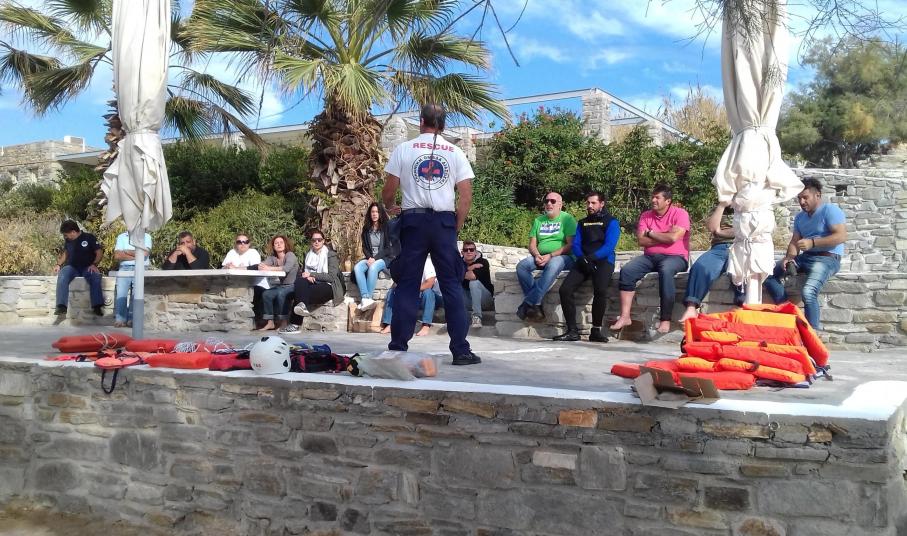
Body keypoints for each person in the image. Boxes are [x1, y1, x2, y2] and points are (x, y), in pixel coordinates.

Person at [381, 103, 480, 366]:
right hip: (443, 222)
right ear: (443, 125)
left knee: (407, 284)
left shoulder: (404, 149)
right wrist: (456, 224)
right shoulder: (455, 152)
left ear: (421, 121)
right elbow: (466, 196)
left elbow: (388, 191)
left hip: (413, 221)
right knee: (451, 284)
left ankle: (398, 348)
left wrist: (391, 207)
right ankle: (460, 350)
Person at [764, 178, 847, 329]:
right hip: (806, 258)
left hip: (827, 258)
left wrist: (813, 243)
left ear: (817, 195)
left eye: (805, 197)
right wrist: (789, 258)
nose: (802, 202)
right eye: (799, 198)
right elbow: (795, 241)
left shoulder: (829, 210)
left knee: (808, 292)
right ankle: (788, 312)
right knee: (767, 275)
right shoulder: (800, 217)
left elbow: (841, 236)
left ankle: (811, 334)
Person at [610, 184, 690, 334]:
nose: (653, 200)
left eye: (657, 197)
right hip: (650, 257)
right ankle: (625, 316)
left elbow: (674, 238)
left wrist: (651, 233)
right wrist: (665, 236)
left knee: (666, 270)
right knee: (627, 271)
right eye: (652, 197)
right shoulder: (646, 215)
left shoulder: (680, 214)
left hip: (676, 258)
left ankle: (665, 319)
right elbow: (641, 241)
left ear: (668, 201)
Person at [553, 191, 621, 342]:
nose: (590, 206)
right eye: (588, 203)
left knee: (600, 290)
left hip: (603, 260)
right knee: (565, 290)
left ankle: (595, 331)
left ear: (602, 204)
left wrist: (592, 258)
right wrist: (583, 258)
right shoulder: (582, 223)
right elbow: (576, 244)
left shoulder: (612, 222)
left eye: (593, 203)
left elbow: (609, 246)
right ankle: (572, 331)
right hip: (583, 260)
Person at [515, 192, 577, 321]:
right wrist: (537, 255)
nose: (549, 203)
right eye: (546, 201)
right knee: (522, 266)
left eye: (553, 201)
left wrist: (551, 255)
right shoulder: (539, 220)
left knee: (554, 264)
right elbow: (532, 244)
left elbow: (571, 245)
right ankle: (535, 304)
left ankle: (527, 303)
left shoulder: (567, 219)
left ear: (560, 204)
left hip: (564, 257)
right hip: (542, 256)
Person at [678, 203, 745, 323]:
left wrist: (721, 232)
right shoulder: (718, 208)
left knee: (742, 269)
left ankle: (742, 305)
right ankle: (691, 307)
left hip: (742, 247)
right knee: (700, 267)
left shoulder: (749, 207)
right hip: (719, 248)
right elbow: (712, 228)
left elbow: (746, 230)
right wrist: (722, 205)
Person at [283, 230, 345, 334]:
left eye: (319, 240)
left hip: (329, 286)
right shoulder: (308, 255)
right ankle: (301, 306)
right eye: (314, 240)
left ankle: (295, 324)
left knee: (300, 293)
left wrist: (313, 275)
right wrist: (309, 277)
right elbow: (304, 273)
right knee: (300, 282)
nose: (316, 242)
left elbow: (331, 277)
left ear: (323, 241)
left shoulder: (330, 255)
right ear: (311, 242)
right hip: (312, 284)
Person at [380, 256, 441, 336]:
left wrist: (411, 289)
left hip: (434, 297)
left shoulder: (427, 262)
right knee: (393, 291)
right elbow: (397, 282)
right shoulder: (405, 262)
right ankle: (389, 324)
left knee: (428, 292)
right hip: (414, 295)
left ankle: (426, 325)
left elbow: (430, 283)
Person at [54, 220, 104, 316]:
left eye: (66, 235)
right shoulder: (68, 241)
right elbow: (66, 253)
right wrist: (58, 264)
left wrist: (94, 264)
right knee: (63, 274)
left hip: (87, 267)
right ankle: (61, 306)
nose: (65, 237)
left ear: (73, 232)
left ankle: (97, 306)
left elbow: (99, 252)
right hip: (72, 267)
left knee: (95, 277)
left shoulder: (89, 237)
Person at [353, 202, 396, 311]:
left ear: (380, 213)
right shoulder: (366, 229)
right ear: (370, 214)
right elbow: (364, 247)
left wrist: (374, 259)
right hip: (370, 258)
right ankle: (366, 298)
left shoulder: (386, 227)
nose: (375, 214)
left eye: (377, 212)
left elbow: (388, 248)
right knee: (357, 268)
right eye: (372, 212)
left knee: (373, 267)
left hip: (385, 258)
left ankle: (367, 298)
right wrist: (369, 258)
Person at [112, 230, 152, 327]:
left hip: (141, 267)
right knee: (121, 294)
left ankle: (133, 320)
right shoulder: (121, 236)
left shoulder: (146, 236)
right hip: (124, 268)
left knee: (136, 295)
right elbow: (117, 255)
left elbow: (145, 254)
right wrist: (137, 255)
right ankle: (120, 320)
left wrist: (126, 251)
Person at [461, 240, 494, 328]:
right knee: (453, 284)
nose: (469, 252)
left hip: (484, 300)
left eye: (471, 250)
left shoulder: (483, 262)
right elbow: (450, 276)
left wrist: (459, 273)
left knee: (474, 283)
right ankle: (452, 317)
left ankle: (476, 317)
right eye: (466, 250)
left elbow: (472, 276)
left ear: (475, 252)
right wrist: (469, 268)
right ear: (462, 252)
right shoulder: (459, 263)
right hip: (467, 300)